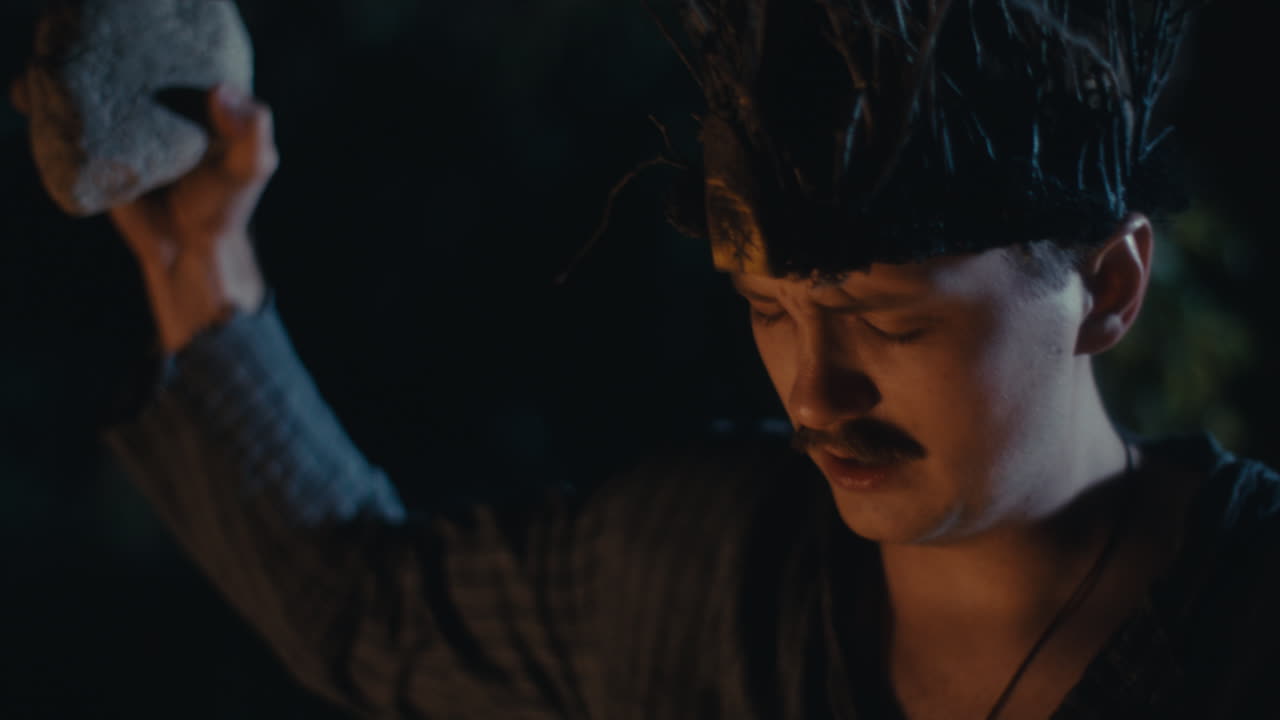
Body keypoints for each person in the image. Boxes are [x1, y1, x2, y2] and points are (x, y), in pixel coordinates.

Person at [22, 1, 1280, 718]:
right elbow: (368, 608)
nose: (811, 389)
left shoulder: (1246, 626)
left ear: (1106, 286)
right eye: (768, 307)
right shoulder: (703, 570)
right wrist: (198, 261)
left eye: (893, 322)